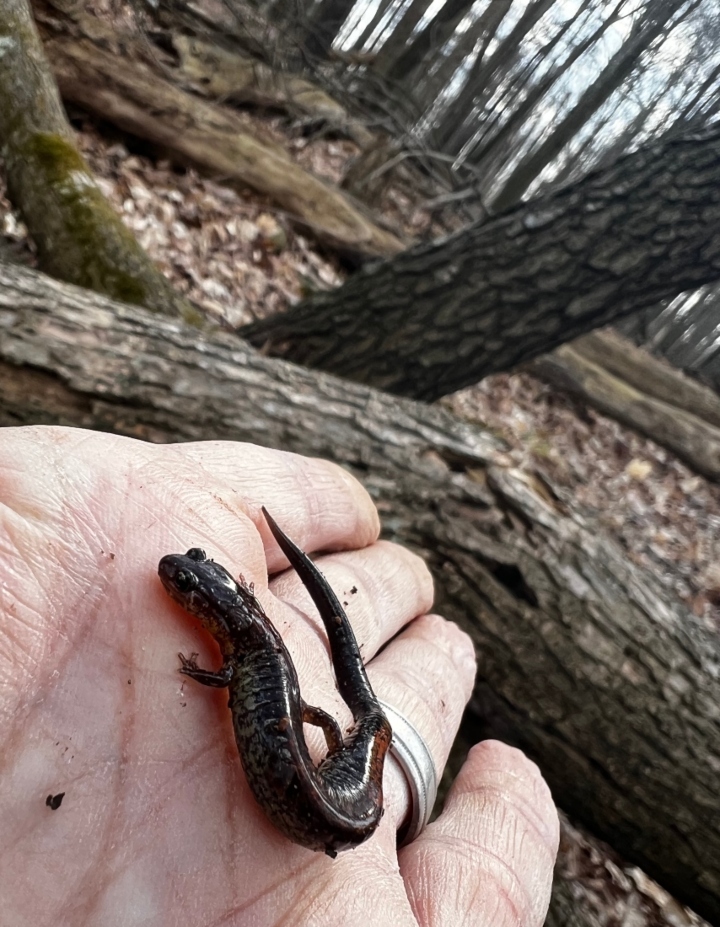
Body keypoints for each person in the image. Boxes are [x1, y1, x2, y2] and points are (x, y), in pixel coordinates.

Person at [0, 426, 558, 926]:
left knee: (359, 720)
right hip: (345, 791)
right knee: (361, 714)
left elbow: (230, 683)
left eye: (190, 588)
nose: (177, 576)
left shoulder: (244, 654)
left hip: (330, 817)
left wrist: (205, 675)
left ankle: (354, 729)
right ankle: (355, 728)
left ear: (216, 611)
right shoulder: (253, 640)